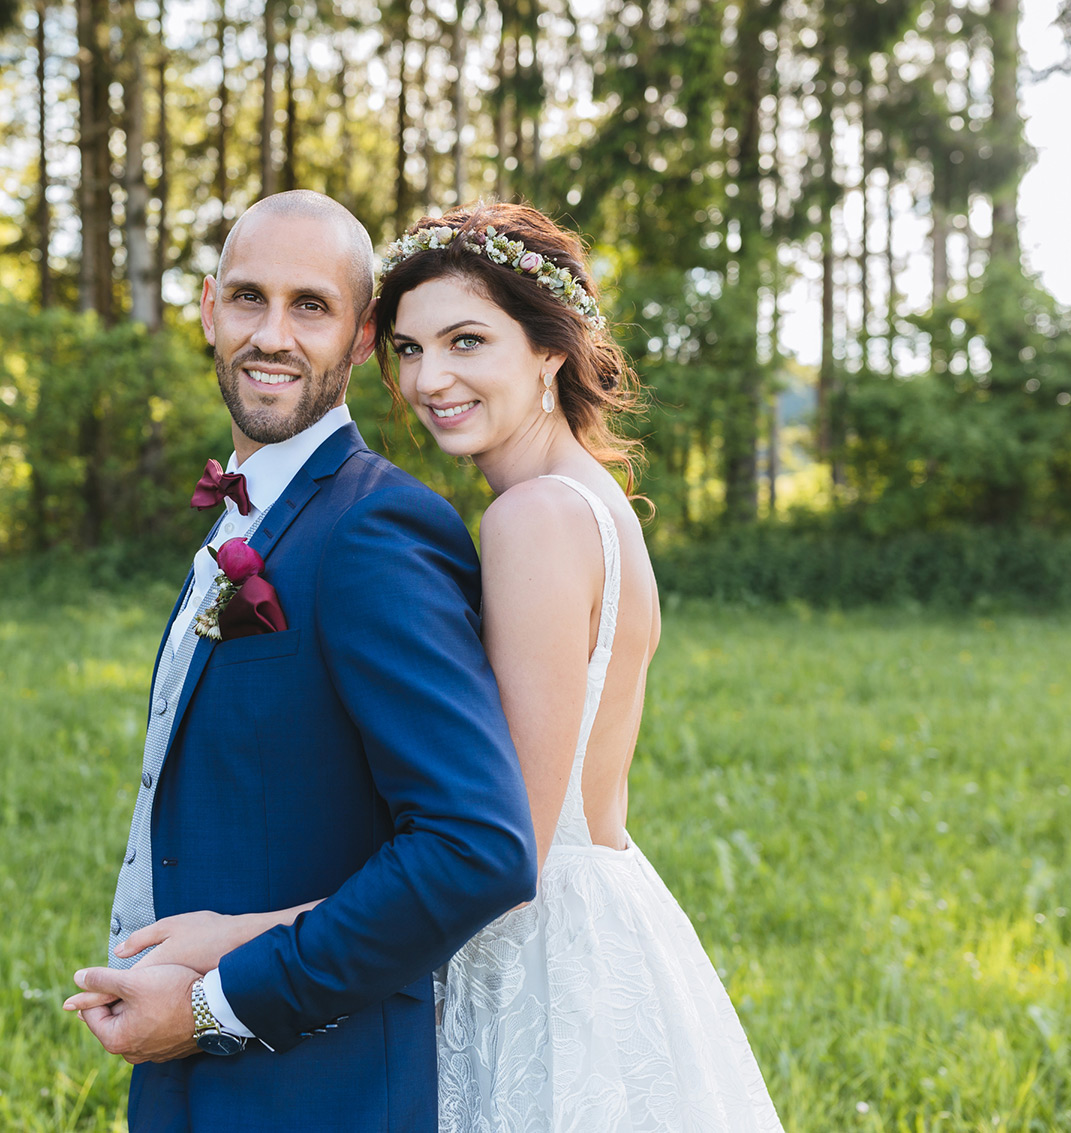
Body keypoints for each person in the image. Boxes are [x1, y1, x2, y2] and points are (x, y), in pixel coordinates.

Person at [105, 201, 786, 1130]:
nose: (432, 379)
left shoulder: (528, 520)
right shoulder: (589, 502)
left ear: (549, 349)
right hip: (599, 928)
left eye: (468, 342)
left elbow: (498, 846)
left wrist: (236, 949)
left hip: (532, 960)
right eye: (416, 350)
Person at [61, 190, 538, 1132]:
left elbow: (474, 849)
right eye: (248, 298)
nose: (271, 335)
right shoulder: (252, 512)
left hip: (320, 1079)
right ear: (207, 308)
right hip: (199, 1068)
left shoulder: (377, 530)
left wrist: (214, 1007)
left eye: (310, 307)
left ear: (362, 337)